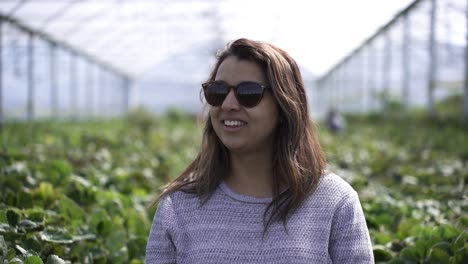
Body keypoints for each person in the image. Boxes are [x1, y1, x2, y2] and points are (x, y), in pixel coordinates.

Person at [146, 38, 374, 263]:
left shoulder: (335, 202)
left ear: (286, 106)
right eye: (218, 91)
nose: (228, 104)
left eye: (248, 93)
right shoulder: (178, 206)